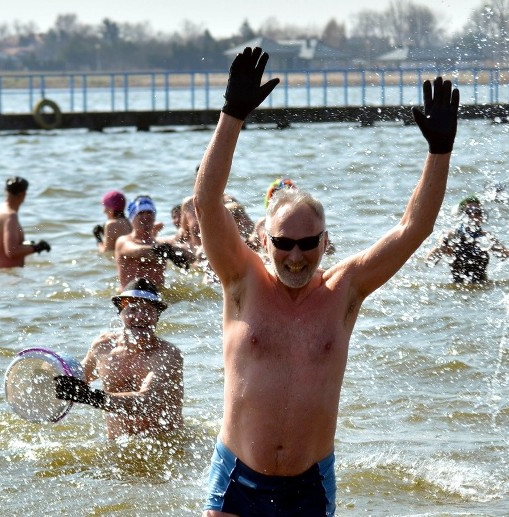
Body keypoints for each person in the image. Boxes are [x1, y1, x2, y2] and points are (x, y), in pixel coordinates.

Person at [194, 47, 459, 516]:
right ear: (264, 239)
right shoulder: (241, 279)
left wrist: (439, 151)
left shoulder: (346, 290)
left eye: (307, 243)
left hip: (310, 486)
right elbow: (207, 202)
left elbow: (412, 228)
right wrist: (232, 114)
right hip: (237, 478)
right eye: (284, 243)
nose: (295, 256)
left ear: (325, 241)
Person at [54, 277, 183, 439]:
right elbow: (76, 380)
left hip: (163, 444)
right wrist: (46, 376)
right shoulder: (103, 347)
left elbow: (146, 403)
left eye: (149, 310)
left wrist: (90, 396)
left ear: (157, 316)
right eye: (133, 309)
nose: (141, 316)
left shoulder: (168, 354)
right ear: (120, 313)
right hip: (117, 444)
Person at [425, 195, 509, 283]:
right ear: (461, 215)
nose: (473, 215)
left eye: (477, 212)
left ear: (481, 217)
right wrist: (444, 245)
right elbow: (429, 261)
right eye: (468, 212)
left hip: (482, 286)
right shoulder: (450, 236)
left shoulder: (486, 237)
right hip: (457, 287)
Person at [115, 195, 195, 291]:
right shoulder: (123, 241)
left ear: (154, 216)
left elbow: (192, 257)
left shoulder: (162, 243)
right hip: (131, 295)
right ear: (132, 217)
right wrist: (168, 251)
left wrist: (180, 254)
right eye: (140, 213)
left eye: (149, 212)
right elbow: (137, 251)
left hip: (157, 296)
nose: (145, 216)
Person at [0, 176, 51, 268]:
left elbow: (0, 244)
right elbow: (12, 252)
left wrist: (27, 246)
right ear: (23, 194)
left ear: (6, 191)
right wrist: (37, 247)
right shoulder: (10, 216)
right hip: (10, 276)